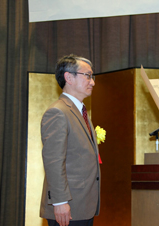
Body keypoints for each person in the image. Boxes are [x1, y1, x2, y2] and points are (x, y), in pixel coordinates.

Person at [40, 54, 100, 226]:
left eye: (92, 76)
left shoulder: (81, 112)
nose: (93, 82)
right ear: (68, 77)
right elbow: (53, 161)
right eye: (87, 76)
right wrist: (59, 202)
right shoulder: (58, 112)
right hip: (67, 208)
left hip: (83, 205)